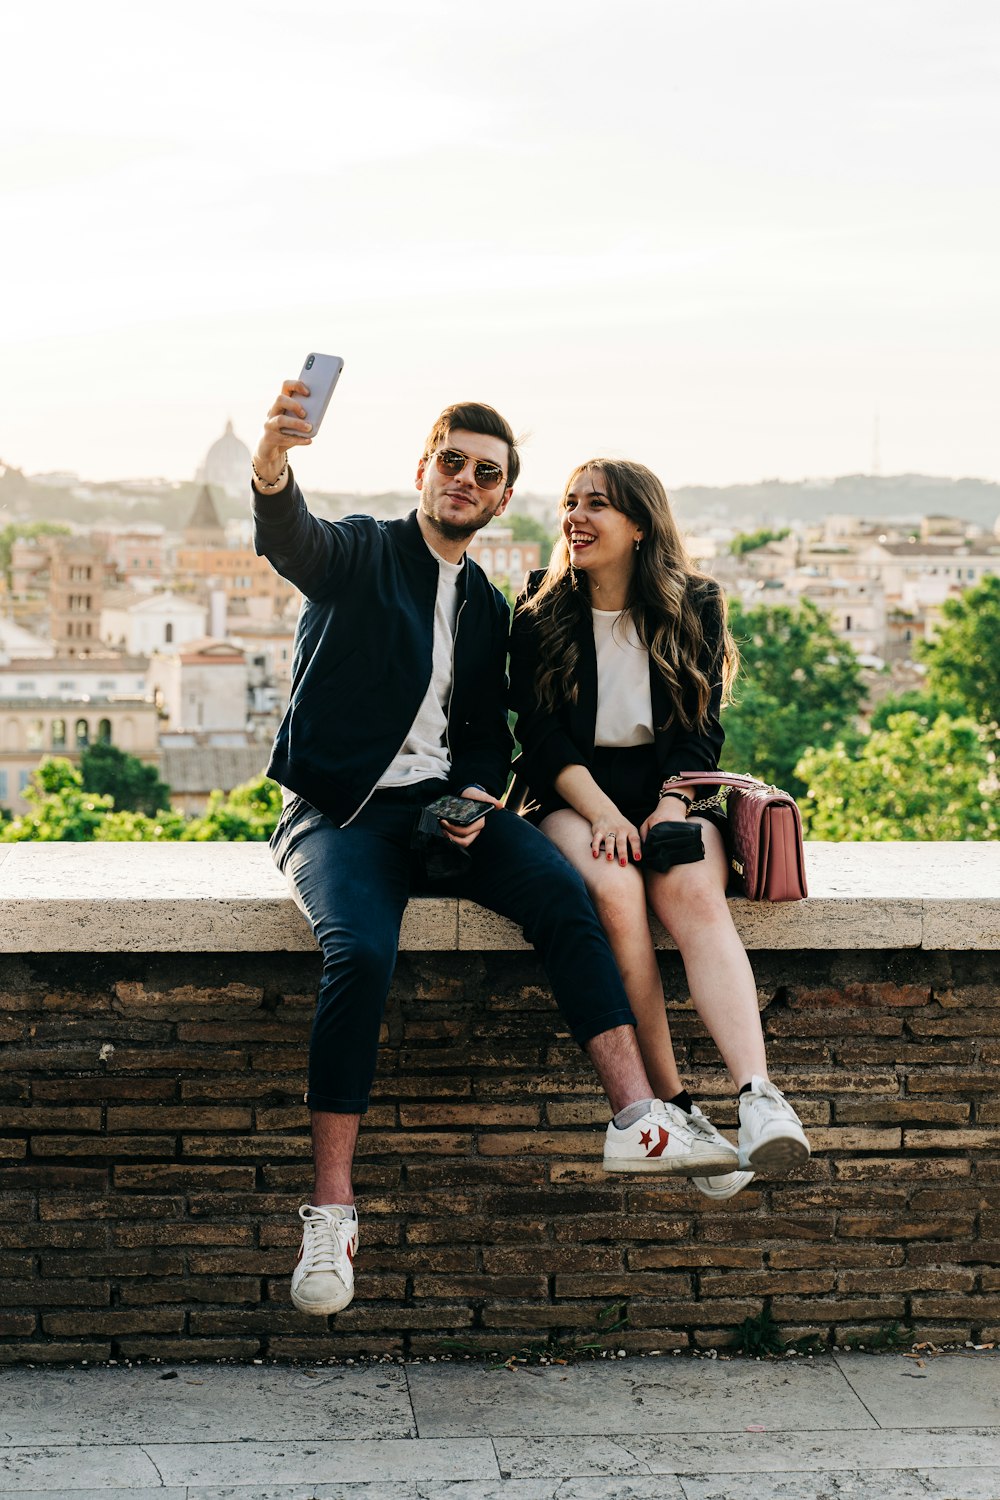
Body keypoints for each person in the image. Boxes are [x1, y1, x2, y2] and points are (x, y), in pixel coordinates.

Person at [251, 387, 742, 1318]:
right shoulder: (364, 553)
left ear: (503, 496)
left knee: (568, 892)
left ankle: (637, 1116)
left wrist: (476, 793)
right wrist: (275, 463)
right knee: (359, 953)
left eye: (487, 471)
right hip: (341, 815)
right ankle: (331, 1211)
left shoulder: (483, 603)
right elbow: (294, 541)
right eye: (453, 462)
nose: (466, 480)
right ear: (424, 470)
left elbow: (486, 733)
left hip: (445, 812)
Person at [508, 457, 811, 1202]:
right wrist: (605, 814)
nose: (576, 517)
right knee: (616, 896)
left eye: (598, 506)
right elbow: (541, 739)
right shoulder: (538, 608)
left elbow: (699, 729)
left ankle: (758, 1096)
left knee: (695, 899)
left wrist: (671, 805)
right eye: (570, 504)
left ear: (640, 525)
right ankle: (678, 1110)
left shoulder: (693, 603)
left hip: (669, 791)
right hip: (573, 794)